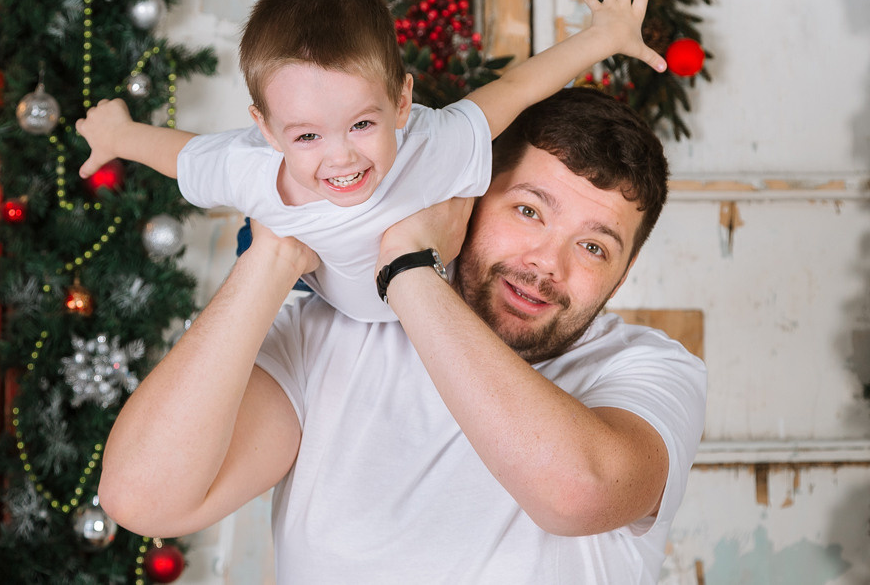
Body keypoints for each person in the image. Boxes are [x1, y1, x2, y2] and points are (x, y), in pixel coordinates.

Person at [97, 87, 707, 584]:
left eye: (594, 246)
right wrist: (274, 253)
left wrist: (409, 270)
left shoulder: (648, 371)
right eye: (528, 211)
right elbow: (142, 498)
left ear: (621, 277)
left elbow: (580, 494)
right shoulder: (323, 337)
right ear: (466, 196)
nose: (549, 263)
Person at [75, 0, 666, 321]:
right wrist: (121, 135)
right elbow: (183, 158)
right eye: (306, 135)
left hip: (426, 298)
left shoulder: (434, 141)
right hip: (319, 294)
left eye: (362, 124)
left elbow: (516, 86)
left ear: (402, 102)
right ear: (266, 129)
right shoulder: (251, 168)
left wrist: (602, 37)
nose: (341, 157)